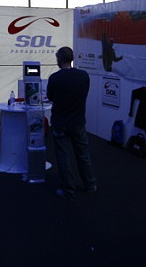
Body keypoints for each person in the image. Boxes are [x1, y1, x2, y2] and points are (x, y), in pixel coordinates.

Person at [47, 46, 97, 200]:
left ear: (59, 58)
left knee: (63, 156)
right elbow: (84, 93)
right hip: (78, 122)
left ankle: (68, 190)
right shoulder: (83, 76)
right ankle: (90, 185)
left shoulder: (55, 78)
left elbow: (51, 97)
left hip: (60, 122)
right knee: (83, 155)